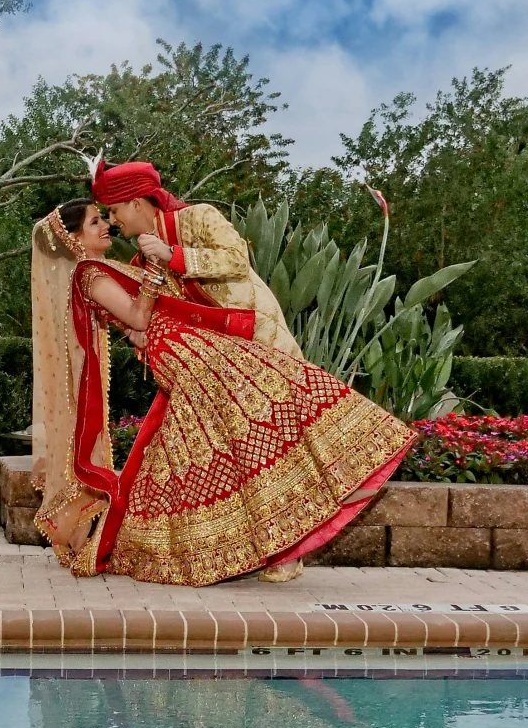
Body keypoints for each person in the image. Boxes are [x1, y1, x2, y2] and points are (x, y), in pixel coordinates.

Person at [30, 198, 416, 587]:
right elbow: (138, 316)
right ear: (73, 238)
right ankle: (311, 499)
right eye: (96, 222)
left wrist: (147, 299)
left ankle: (329, 482)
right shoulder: (89, 275)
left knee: (226, 432)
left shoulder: (104, 269)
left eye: (105, 218)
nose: (106, 226)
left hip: (192, 346)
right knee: (262, 404)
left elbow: (139, 319)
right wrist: (157, 269)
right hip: (184, 354)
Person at [90, 160, 300, 357]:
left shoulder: (199, 216)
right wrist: (141, 339)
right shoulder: (140, 264)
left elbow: (238, 260)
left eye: (113, 210)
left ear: (136, 204)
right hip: (216, 363)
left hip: (263, 341)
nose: (112, 221)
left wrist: (173, 256)